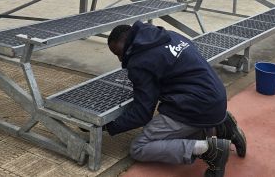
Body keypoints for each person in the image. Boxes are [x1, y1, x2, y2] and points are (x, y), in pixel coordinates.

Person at [105, 21, 247, 177]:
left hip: (195, 106)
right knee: (178, 135)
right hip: (216, 96)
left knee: (139, 148)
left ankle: (210, 150)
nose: (120, 59)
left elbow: (142, 115)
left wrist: (108, 126)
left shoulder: (139, 62)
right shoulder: (168, 35)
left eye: (119, 53)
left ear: (126, 43)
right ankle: (223, 127)